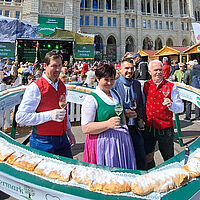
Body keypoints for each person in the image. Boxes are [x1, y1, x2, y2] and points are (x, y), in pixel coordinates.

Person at [16, 52, 76, 158]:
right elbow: (21, 118)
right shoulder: (35, 88)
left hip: (62, 138)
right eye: (54, 66)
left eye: (59, 65)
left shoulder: (62, 85)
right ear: (45, 66)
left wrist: (69, 130)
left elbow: (64, 111)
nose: (58, 69)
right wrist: (50, 115)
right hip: (43, 141)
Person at [81, 64, 136, 169]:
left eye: (112, 79)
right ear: (98, 78)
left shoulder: (115, 94)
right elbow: (85, 128)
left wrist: (125, 120)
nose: (110, 83)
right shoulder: (91, 99)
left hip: (120, 142)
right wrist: (107, 124)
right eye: (106, 79)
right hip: (103, 144)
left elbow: (121, 115)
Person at [143, 60, 183, 169]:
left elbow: (181, 108)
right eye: (155, 70)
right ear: (150, 71)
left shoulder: (171, 86)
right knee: (148, 157)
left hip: (166, 129)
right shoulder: (146, 85)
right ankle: (153, 176)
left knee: (168, 159)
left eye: (160, 70)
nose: (158, 72)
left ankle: (170, 179)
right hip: (149, 127)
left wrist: (171, 105)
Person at [113, 57, 146, 170]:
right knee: (124, 157)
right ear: (120, 70)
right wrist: (124, 112)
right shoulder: (114, 85)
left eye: (132, 68)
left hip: (135, 126)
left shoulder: (136, 84)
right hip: (121, 127)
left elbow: (140, 104)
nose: (130, 71)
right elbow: (111, 106)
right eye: (127, 68)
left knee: (141, 156)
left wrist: (140, 119)